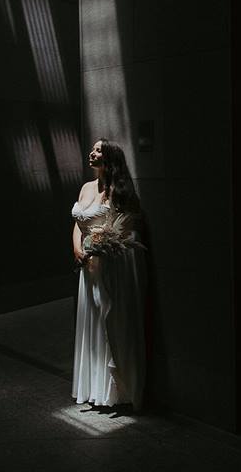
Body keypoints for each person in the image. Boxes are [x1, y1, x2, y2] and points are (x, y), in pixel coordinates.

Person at [71, 138, 147, 409]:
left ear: (110, 157)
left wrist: (98, 248)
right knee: (91, 322)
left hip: (108, 266)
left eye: (98, 150)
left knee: (108, 324)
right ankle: (93, 389)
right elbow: (80, 223)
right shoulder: (86, 187)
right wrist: (78, 249)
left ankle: (116, 390)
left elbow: (123, 229)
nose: (92, 153)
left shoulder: (119, 190)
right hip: (87, 267)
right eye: (92, 149)